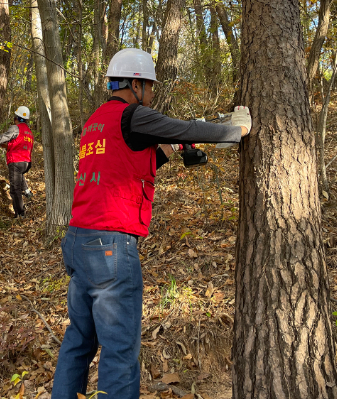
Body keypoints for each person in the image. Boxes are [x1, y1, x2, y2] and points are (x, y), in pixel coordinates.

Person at [51, 48, 252, 399]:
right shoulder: (133, 115)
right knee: (120, 350)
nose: (153, 95)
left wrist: (170, 150)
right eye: (150, 87)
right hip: (110, 248)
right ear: (134, 84)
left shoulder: (96, 122)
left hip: (78, 241)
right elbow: (184, 126)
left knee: (79, 341)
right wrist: (234, 131)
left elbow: (122, 170)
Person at [0, 106, 34, 218]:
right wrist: (8, 146)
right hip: (26, 163)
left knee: (15, 190)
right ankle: (27, 192)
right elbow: (20, 145)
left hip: (16, 162)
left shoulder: (15, 128)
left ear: (16, 118)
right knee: (19, 179)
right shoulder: (29, 132)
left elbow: (1, 139)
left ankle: (20, 214)